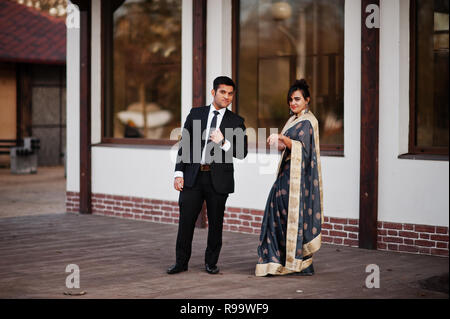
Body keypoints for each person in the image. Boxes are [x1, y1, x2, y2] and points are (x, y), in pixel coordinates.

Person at [168, 76, 248, 275]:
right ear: (213, 93)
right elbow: (184, 145)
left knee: (216, 223)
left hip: (218, 180)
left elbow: (242, 152)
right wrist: (179, 173)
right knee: (186, 222)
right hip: (193, 176)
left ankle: (211, 263)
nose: (227, 97)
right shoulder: (196, 114)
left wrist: (223, 142)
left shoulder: (236, 121)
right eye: (223, 92)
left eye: (230, 94)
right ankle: (181, 263)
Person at [255, 79, 323, 277]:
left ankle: (300, 263)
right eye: (290, 100)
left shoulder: (310, 121)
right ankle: (278, 261)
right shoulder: (293, 120)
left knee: (291, 217)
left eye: (297, 99)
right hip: (286, 175)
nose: (293, 103)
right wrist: (279, 142)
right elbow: (287, 147)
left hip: (297, 179)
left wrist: (284, 139)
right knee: (276, 214)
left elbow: (304, 149)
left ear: (307, 100)